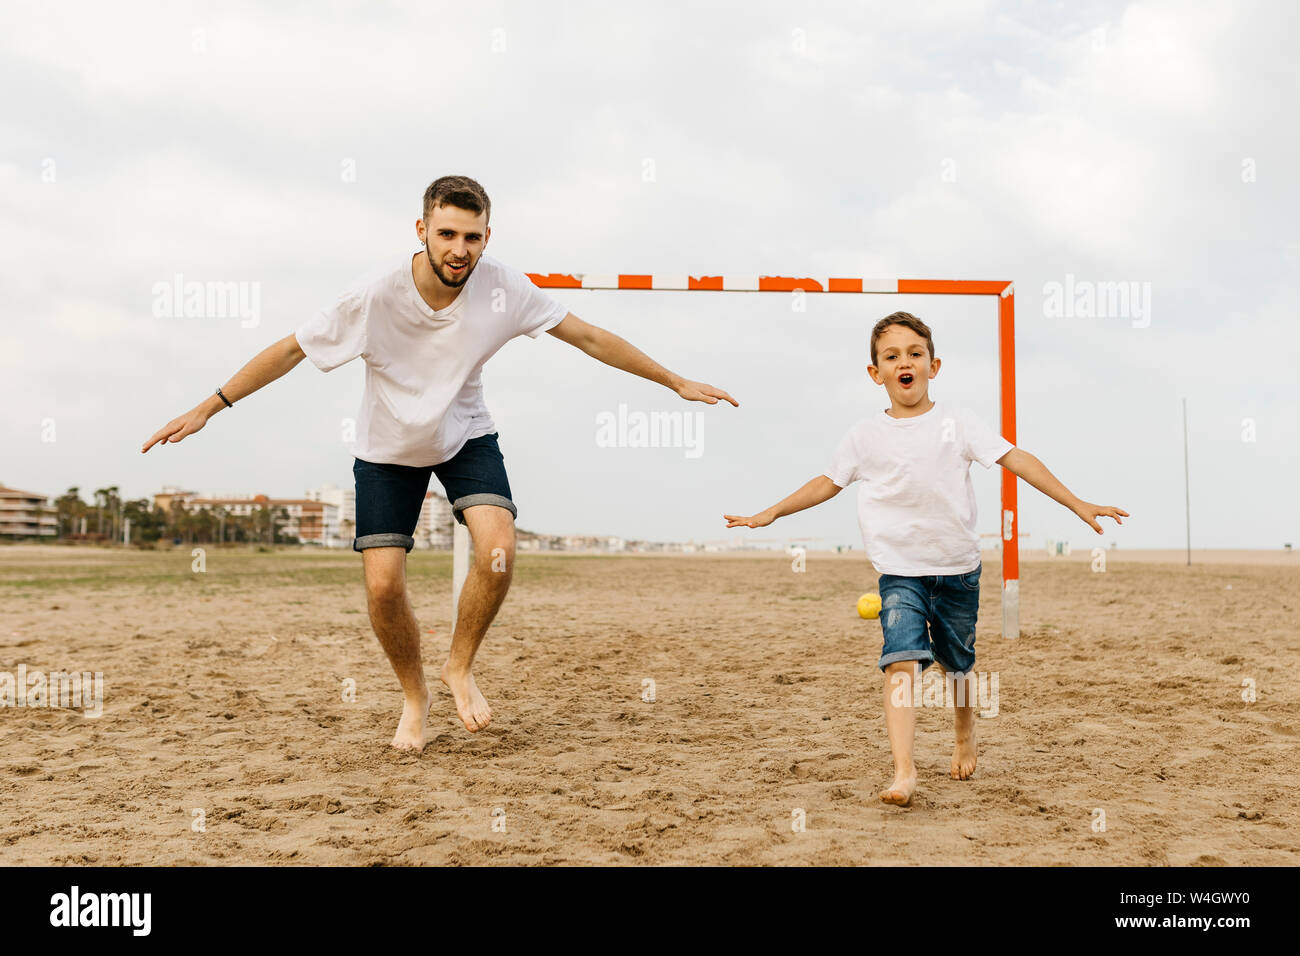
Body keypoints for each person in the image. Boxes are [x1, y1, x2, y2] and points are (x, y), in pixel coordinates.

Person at [143, 174, 737, 751]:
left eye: (472, 238)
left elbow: (589, 337)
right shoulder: (373, 295)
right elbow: (289, 350)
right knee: (382, 587)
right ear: (422, 229)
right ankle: (414, 696)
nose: (460, 250)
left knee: (499, 547)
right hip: (387, 448)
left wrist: (675, 381)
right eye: (448, 234)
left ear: (487, 238)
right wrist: (210, 406)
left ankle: (459, 666)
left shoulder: (505, 288)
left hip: (464, 434)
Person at [723, 311, 1126, 806]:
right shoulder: (863, 436)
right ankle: (904, 771)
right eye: (891, 357)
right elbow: (826, 482)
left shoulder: (958, 423)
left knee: (957, 668)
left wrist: (1077, 502)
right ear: (876, 374)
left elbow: (1017, 459)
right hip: (900, 574)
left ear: (934, 366)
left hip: (958, 570)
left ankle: (963, 733)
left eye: (914, 353)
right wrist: (773, 513)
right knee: (900, 664)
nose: (904, 362)